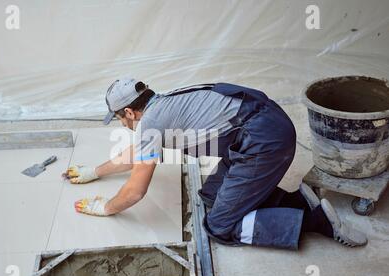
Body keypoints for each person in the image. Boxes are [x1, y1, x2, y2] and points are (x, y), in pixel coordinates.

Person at [63, 78, 367, 249]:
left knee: (219, 226)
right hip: (258, 130)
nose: (121, 124)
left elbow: (135, 192)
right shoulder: (164, 104)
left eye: (118, 118)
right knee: (210, 197)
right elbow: (135, 155)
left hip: (264, 142)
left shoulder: (151, 124)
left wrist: (106, 207)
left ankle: (318, 222)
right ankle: (299, 200)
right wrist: (95, 172)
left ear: (129, 112)